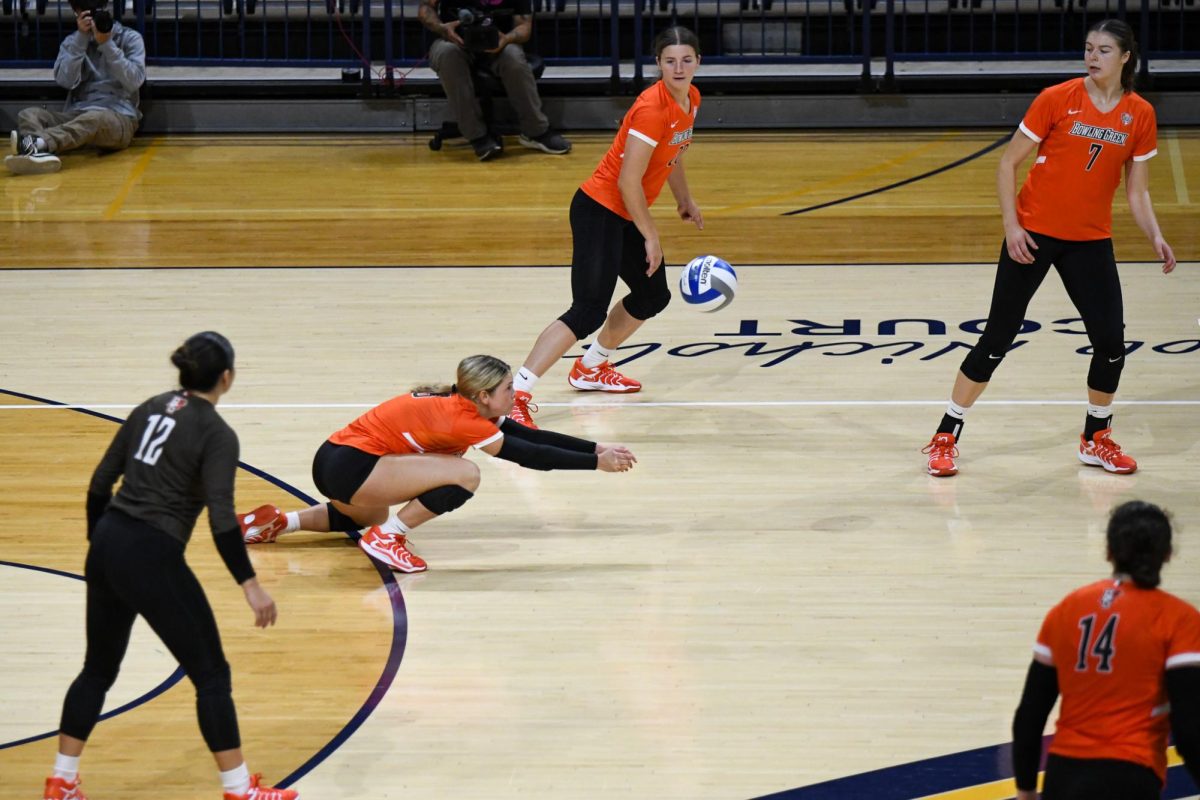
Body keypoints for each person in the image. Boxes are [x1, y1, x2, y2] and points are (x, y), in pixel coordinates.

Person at [44, 333, 297, 800]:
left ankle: (62, 780)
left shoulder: (150, 406)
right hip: (151, 552)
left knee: (97, 669)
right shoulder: (217, 434)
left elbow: (101, 482)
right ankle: (239, 789)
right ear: (227, 377)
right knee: (212, 676)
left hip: (108, 541)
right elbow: (222, 519)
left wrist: (101, 544)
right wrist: (250, 584)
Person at [921, 19, 1176, 478]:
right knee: (997, 339)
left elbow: (1136, 191)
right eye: (1088, 48)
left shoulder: (1139, 114)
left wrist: (1155, 235)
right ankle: (946, 433)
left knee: (1112, 344)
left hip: (1090, 241)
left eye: (1103, 50)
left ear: (1125, 57)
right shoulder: (1057, 99)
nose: (1092, 56)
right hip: (1033, 235)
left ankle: (1096, 436)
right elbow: (1007, 163)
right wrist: (1012, 226)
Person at [236, 354, 636, 573]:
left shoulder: (460, 402)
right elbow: (529, 457)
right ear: (482, 395)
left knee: (366, 517)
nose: (514, 395)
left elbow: (528, 436)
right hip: (353, 466)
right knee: (465, 474)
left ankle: (276, 523)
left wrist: (596, 447)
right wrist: (594, 466)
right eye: (508, 389)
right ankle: (389, 538)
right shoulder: (462, 419)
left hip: (338, 460)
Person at [507, 25, 704, 429]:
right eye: (670, 61)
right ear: (658, 64)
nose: (679, 67)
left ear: (698, 62)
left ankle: (590, 367)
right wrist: (651, 235)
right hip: (599, 209)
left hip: (625, 212)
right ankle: (514, 394)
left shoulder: (691, 99)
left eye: (687, 60)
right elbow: (627, 181)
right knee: (588, 308)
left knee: (652, 295)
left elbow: (673, 154)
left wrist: (683, 198)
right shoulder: (652, 108)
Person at [1011, 500, 1200, 799]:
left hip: (1064, 776)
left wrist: (1025, 789)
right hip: (1131, 776)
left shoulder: (1065, 610)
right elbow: (1189, 729)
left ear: (1109, 552)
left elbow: (1029, 716)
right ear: (1167, 554)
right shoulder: (1180, 619)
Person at [417, 0, 570, 161]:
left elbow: (524, 27)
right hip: (453, 41)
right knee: (447, 53)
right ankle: (477, 135)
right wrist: (442, 28)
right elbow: (425, 8)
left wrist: (507, 38)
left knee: (514, 58)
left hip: (499, 43)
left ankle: (536, 131)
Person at [6, 0, 145, 176]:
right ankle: (38, 152)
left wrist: (108, 45)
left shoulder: (130, 38)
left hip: (118, 118)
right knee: (29, 114)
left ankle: (39, 143)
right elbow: (65, 81)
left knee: (95, 117)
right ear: (77, 13)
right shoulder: (71, 42)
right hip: (77, 114)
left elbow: (134, 81)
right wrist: (81, 39)